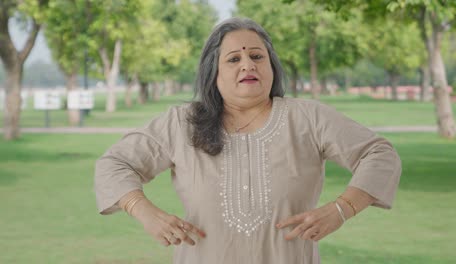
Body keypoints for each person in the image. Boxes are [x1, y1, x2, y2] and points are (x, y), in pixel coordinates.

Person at [94, 17, 401, 264]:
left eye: (257, 56)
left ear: (271, 67)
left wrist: (342, 209)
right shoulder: (181, 123)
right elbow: (114, 164)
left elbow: (379, 153)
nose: (248, 65)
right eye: (233, 59)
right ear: (213, 72)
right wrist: (145, 212)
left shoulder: (306, 118)